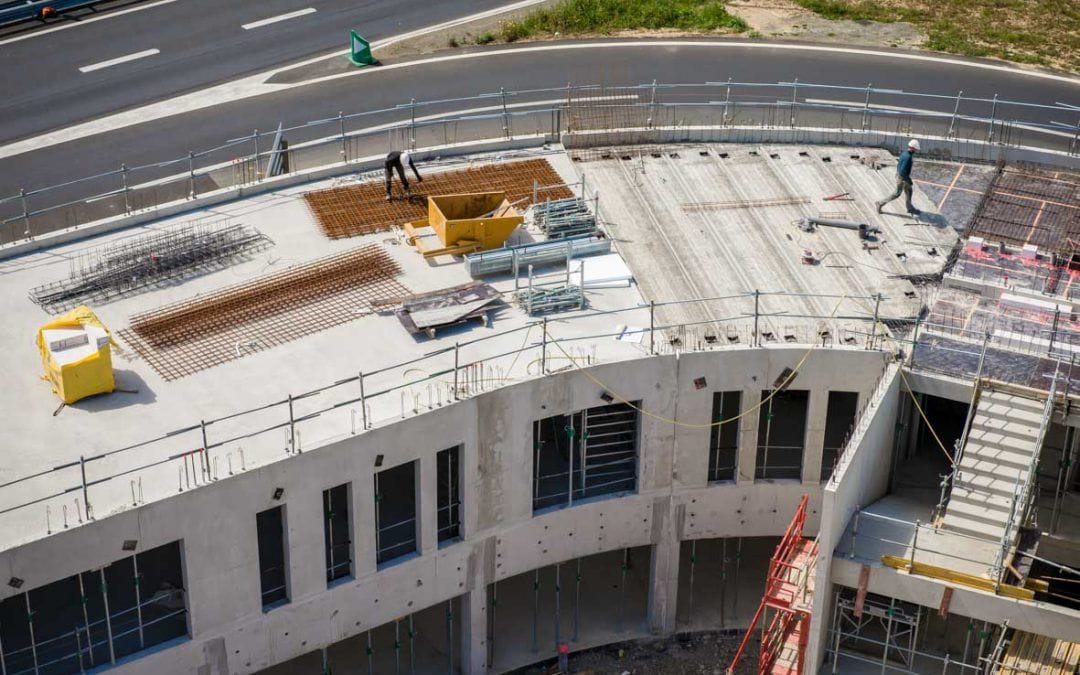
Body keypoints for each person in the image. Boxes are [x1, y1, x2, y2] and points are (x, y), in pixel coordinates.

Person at [876, 139, 920, 215]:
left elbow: (899, 165)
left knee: (909, 190)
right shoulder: (908, 157)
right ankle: (880, 203)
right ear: (913, 148)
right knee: (896, 194)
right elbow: (903, 171)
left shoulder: (904, 153)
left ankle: (909, 208)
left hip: (900, 175)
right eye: (916, 149)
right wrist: (908, 180)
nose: (916, 150)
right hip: (902, 178)